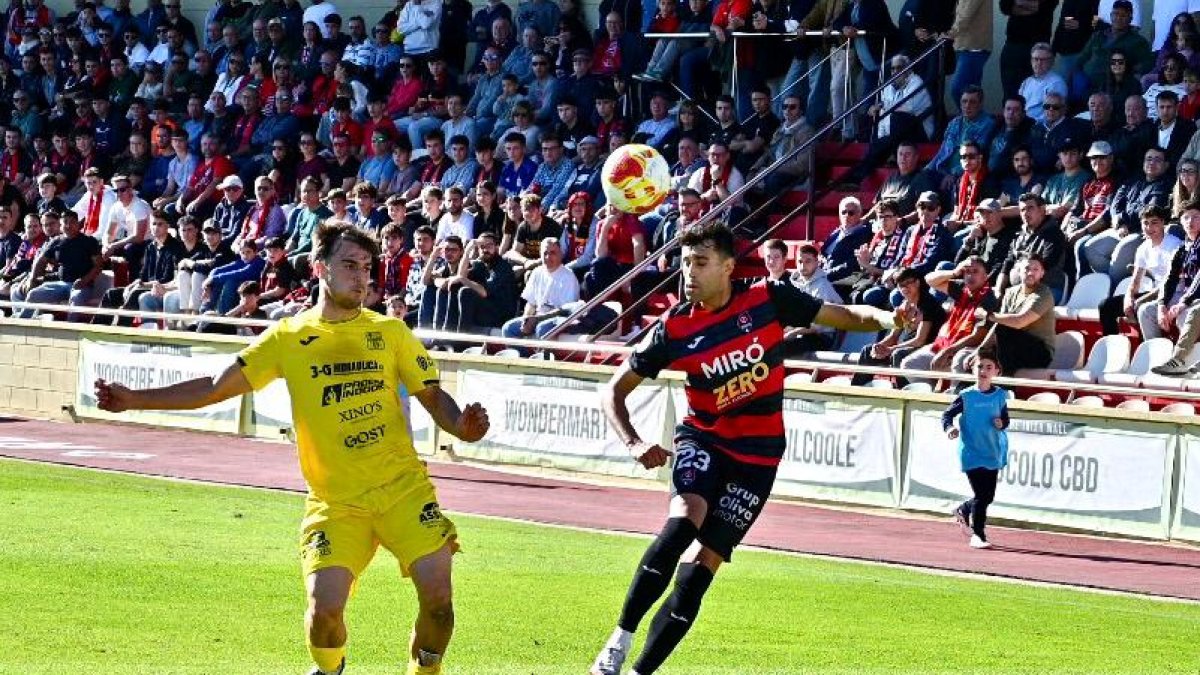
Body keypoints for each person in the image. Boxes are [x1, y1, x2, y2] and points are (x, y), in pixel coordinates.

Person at [94, 221, 490, 675]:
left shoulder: (392, 333)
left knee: (439, 603)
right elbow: (214, 386)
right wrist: (135, 400)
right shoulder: (288, 338)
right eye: (349, 265)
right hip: (336, 504)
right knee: (324, 616)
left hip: (404, 491)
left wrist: (462, 426)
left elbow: (433, 396)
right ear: (319, 267)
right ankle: (330, 670)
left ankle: (424, 672)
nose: (361, 277)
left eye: (367, 267)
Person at [588, 221, 896, 675]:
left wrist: (887, 318)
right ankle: (618, 641)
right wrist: (633, 442)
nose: (687, 273)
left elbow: (846, 317)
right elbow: (613, 390)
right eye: (683, 263)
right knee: (683, 523)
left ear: (728, 267)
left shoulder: (769, 298)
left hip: (759, 456)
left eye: (699, 263)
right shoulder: (673, 327)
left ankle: (639, 672)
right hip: (704, 439)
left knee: (700, 569)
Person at [943, 347, 1009, 550]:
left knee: (988, 496)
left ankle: (964, 509)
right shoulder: (966, 396)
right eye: (980, 366)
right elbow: (947, 415)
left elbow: (1005, 419)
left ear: (997, 371)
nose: (984, 370)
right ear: (972, 368)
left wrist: (1002, 423)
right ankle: (978, 535)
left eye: (989, 367)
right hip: (971, 451)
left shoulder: (1000, 395)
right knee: (981, 496)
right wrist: (950, 428)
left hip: (992, 451)